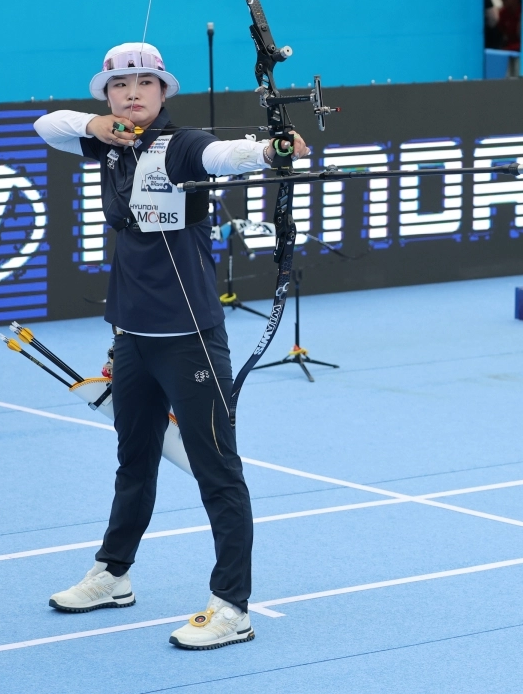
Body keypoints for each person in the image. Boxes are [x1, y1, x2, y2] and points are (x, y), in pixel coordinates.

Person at [35, 42, 309, 648]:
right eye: (119, 85)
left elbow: (228, 154)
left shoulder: (183, 145)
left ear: (164, 93)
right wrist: (99, 127)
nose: (132, 93)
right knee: (133, 461)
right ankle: (114, 574)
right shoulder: (105, 141)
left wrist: (272, 149)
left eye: (144, 84)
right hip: (130, 335)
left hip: (188, 340)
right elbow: (47, 126)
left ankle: (232, 606)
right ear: (106, 96)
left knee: (218, 473)